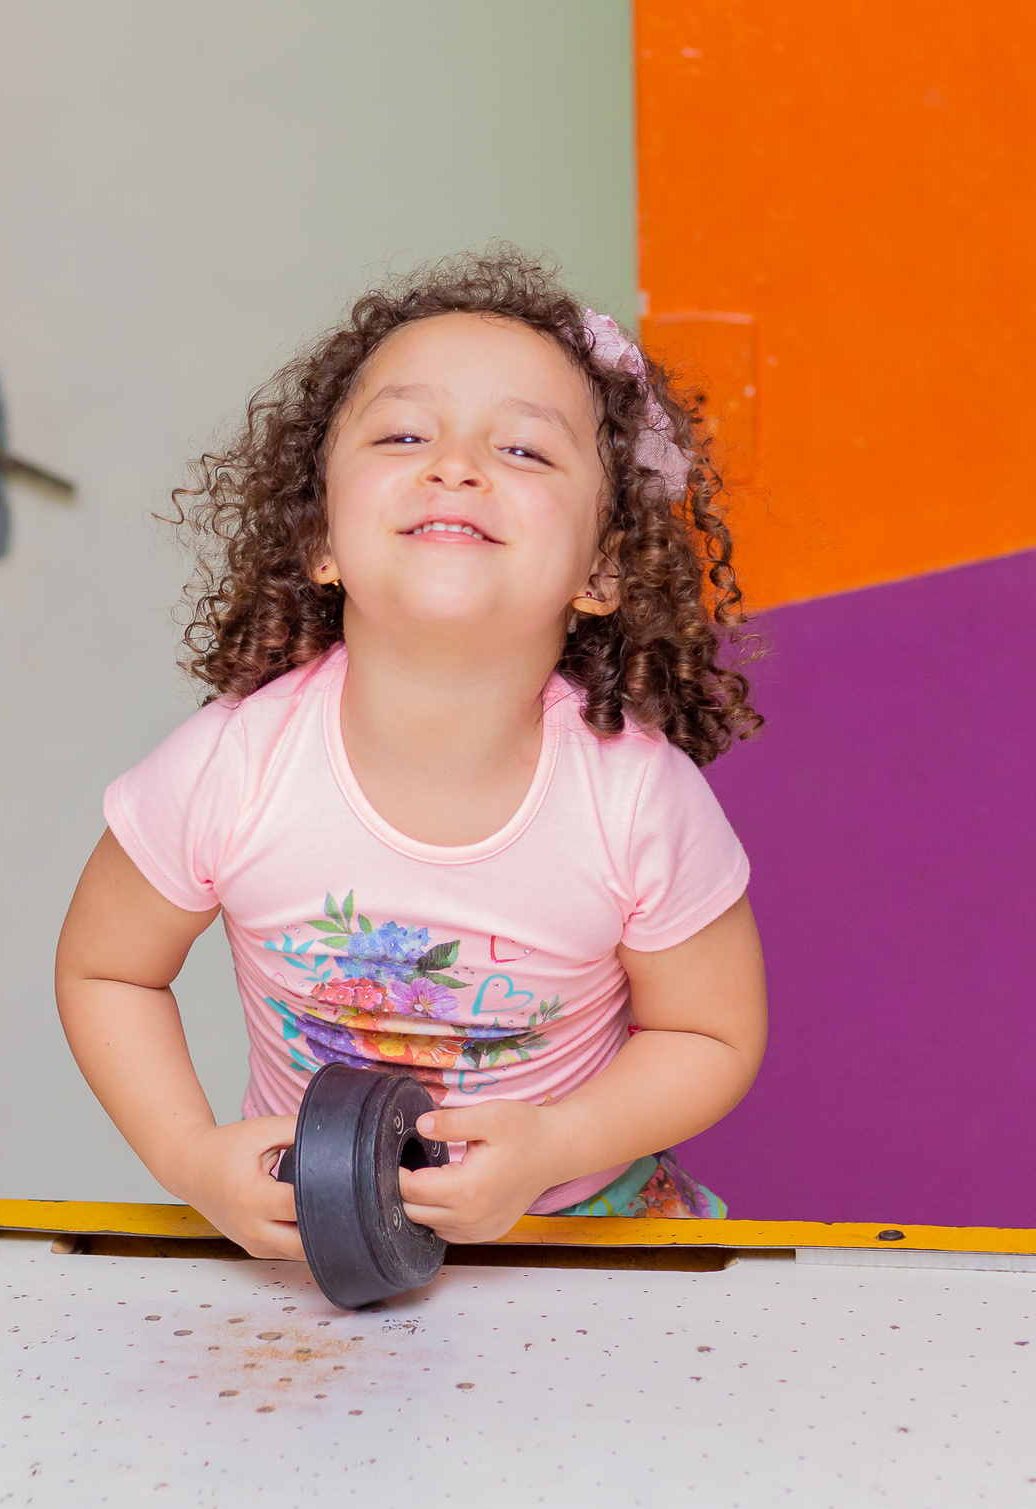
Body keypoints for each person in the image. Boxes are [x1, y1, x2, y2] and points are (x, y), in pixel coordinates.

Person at [55, 250, 767, 1260]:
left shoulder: (638, 798)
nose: (457, 463)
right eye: (402, 434)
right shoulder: (229, 769)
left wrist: (555, 1143)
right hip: (315, 1247)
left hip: (584, 1237)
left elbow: (712, 1036)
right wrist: (191, 1160)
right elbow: (107, 973)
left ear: (601, 567)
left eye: (524, 450)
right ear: (321, 539)